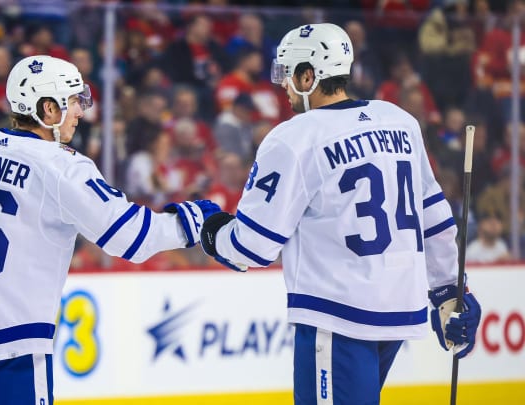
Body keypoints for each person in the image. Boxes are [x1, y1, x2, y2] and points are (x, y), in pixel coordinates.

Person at [0, 55, 220, 405]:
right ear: (48, 109)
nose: (81, 111)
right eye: (73, 101)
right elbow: (129, 237)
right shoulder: (61, 167)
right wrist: (189, 223)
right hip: (11, 344)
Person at [199, 23, 482, 404]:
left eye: (288, 74)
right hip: (396, 313)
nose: (282, 86)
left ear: (308, 76)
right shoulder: (400, 121)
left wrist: (211, 230)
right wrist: (451, 291)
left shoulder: (294, 137)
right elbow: (433, 215)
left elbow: (254, 247)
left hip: (338, 316)